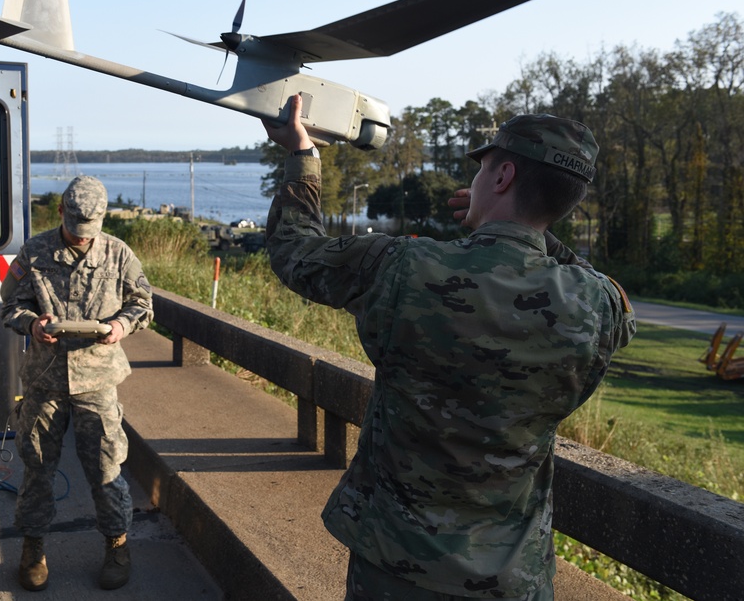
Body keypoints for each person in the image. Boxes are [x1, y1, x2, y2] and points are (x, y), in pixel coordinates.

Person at [262, 95, 635, 600]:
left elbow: (295, 252)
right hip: (514, 579)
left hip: (396, 567)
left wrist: (302, 154)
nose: (477, 180)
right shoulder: (598, 305)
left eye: (483, 171)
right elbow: (603, 292)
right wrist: (533, 232)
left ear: (503, 177)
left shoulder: (405, 266)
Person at [0, 175, 153, 592]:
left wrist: (120, 326)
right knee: (36, 468)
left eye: (89, 232)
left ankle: (117, 545)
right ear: (62, 212)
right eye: (74, 229)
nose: (81, 239)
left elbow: (143, 304)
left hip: (97, 380)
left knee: (106, 469)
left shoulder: (119, 254)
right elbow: (9, 304)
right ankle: (33, 549)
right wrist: (32, 324)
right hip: (45, 381)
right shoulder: (34, 251)